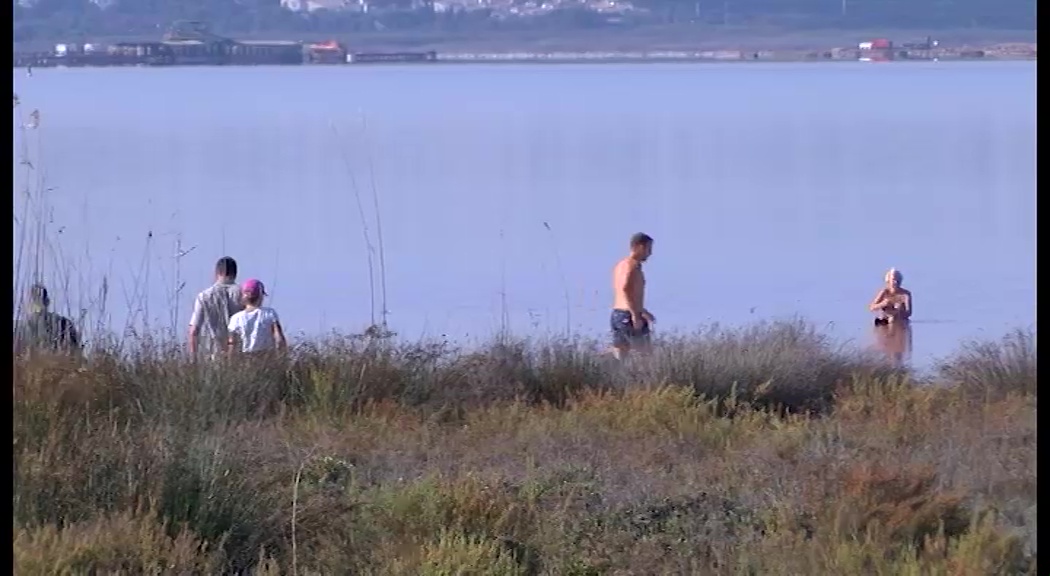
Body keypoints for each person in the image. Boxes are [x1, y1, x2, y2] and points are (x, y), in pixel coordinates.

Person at [610, 232, 656, 360]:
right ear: (639, 247)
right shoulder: (632, 265)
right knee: (645, 354)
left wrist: (643, 310)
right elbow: (625, 288)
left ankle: (618, 376)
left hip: (617, 313)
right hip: (628, 314)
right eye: (648, 249)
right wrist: (636, 315)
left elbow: (624, 290)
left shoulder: (620, 265)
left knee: (621, 353)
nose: (650, 253)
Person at [188, 256, 244, 359]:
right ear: (235, 273)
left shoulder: (204, 296)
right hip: (240, 354)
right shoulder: (244, 294)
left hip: (213, 353)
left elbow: (194, 331)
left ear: (216, 272)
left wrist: (193, 359)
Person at [14, 284, 81, 355]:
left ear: (27, 303)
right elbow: (75, 352)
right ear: (48, 301)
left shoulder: (19, 329)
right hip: (60, 364)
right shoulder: (65, 323)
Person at [226, 278, 287, 356]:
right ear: (260, 296)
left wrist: (230, 362)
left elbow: (232, 344)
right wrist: (283, 355)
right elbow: (279, 338)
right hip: (267, 357)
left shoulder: (236, 318)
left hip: (245, 358)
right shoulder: (270, 313)